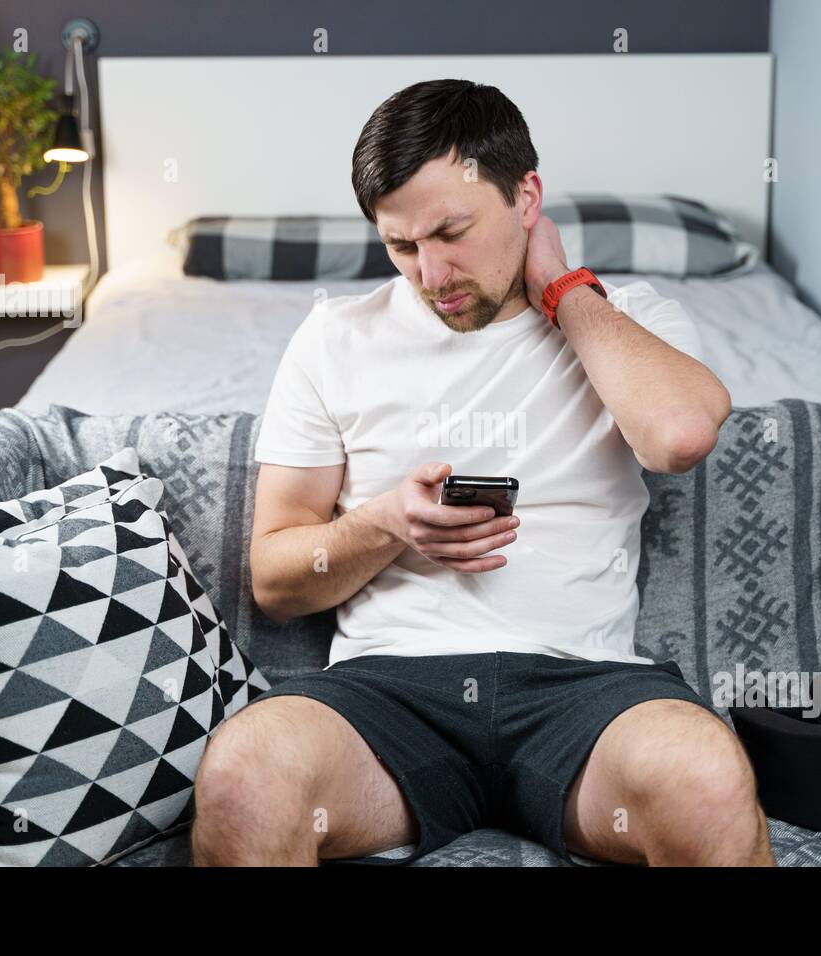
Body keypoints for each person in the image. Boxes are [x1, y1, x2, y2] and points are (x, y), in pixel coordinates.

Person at [192, 79, 775, 867]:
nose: (432, 275)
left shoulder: (629, 322)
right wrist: (387, 526)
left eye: (452, 231)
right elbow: (276, 574)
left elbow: (678, 436)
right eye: (401, 246)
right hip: (385, 700)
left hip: (585, 693)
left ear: (526, 196)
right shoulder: (335, 338)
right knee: (243, 774)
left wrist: (563, 290)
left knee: (707, 783)